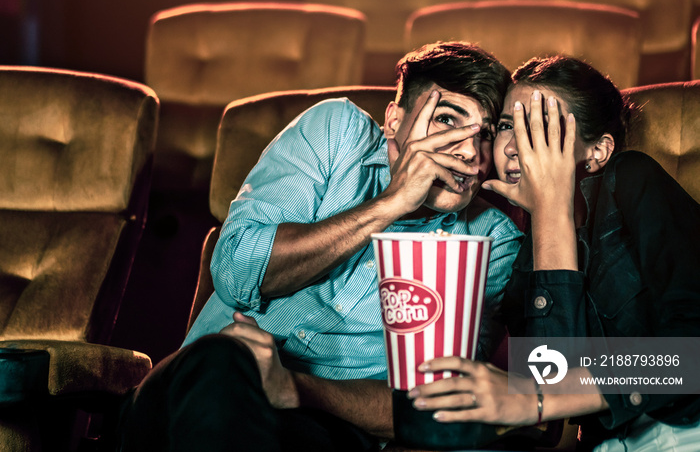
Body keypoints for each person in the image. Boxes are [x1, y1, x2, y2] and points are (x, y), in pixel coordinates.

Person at [118, 41, 523, 452]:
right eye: (447, 121)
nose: (469, 152)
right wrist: (392, 203)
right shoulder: (336, 131)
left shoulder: (492, 240)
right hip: (193, 395)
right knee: (225, 361)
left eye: (484, 135)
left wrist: (295, 387)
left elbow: (431, 406)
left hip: (323, 432)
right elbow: (235, 271)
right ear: (394, 121)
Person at [403, 56, 700, 451]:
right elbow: (556, 377)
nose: (511, 147)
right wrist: (550, 215)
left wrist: (534, 399)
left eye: (538, 128)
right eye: (507, 126)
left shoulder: (631, 180)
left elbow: (687, 358)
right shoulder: (515, 250)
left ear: (596, 152)